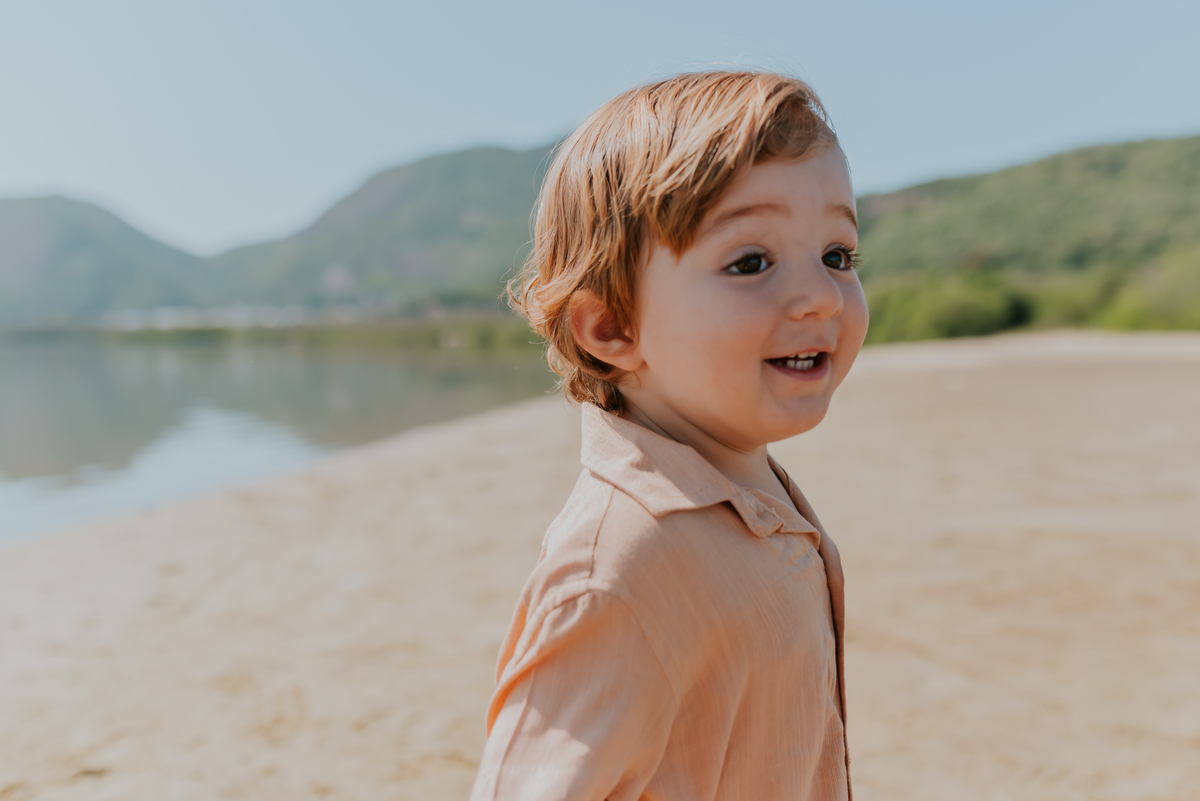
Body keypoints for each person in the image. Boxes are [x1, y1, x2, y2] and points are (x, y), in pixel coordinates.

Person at [470, 70, 869, 801]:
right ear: (613, 326)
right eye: (751, 262)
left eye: (838, 255)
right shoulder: (621, 563)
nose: (819, 297)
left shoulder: (750, 489)